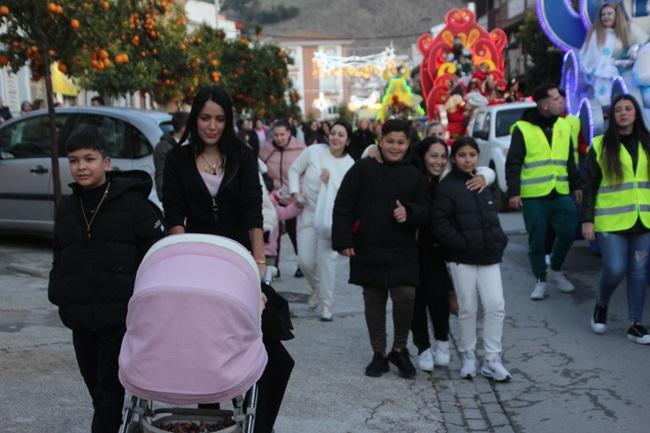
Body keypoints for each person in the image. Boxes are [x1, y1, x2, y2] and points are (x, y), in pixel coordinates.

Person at [162, 86, 293, 433]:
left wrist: (258, 267)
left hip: (237, 264)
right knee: (209, 354)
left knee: (276, 358)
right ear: (194, 118)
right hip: (196, 263)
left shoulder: (243, 157)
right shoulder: (177, 159)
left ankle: (259, 425)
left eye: (219, 119)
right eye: (205, 118)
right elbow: (174, 216)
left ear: (228, 120)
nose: (212, 126)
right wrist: (181, 267)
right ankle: (214, 423)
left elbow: (253, 213)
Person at [48, 127, 164, 433]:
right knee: (96, 390)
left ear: (107, 162)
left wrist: (140, 296)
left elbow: (155, 253)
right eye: (74, 160)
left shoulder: (132, 204)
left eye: (90, 158)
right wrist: (57, 291)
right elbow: (60, 253)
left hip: (119, 318)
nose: (82, 167)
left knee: (108, 392)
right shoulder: (67, 208)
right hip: (81, 317)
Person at [332, 119, 429, 379]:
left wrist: (409, 212)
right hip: (368, 246)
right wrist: (343, 240)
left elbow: (426, 208)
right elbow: (344, 204)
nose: (395, 147)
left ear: (408, 143)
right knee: (374, 300)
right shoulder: (363, 168)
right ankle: (378, 353)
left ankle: (399, 348)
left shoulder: (415, 173)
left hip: (403, 248)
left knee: (405, 295)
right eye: (390, 141)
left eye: (400, 142)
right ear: (380, 141)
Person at [412, 137, 496, 372]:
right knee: (415, 298)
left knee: (439, 295)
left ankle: (442, 341)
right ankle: (423, 347)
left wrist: (486, 177)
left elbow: (484, 171)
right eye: (433, 156)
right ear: (423, 156)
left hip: (439, 248)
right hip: (410, 247)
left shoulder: (448, 178)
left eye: (441, 156)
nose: (437, 161)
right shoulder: (413, 176)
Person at [431, 137, 510, 381]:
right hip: (461, 257)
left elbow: (491, 215)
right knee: (467, 308)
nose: (468, 159)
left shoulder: (483, 180)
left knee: (496, 306)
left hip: (488, 255)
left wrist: (499, 240)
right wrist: (461, 244)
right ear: (454, 158)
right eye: (462, 155)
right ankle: (468, 356)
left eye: (472, 155)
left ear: (477, 156)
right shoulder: (447, 186)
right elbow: (439, 223)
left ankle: (492, 359)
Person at [582, 94, 650, 344]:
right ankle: (602, 303)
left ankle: (635, 324)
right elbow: (589, 185)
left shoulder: (648, 142)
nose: (623, 113)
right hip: (611, 221)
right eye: (619, 109)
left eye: (628, 108)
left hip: (644, 220)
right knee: (614, 269)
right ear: (612, 116)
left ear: (636, 113)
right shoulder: (600, 145)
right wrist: (587, 220)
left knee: (640, 271)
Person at [506, 83, 582, 300]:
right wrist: (514, 192)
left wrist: (576, 185)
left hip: (560, 192)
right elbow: (513, 163)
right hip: (534, 196)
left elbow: (569, 160)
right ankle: (540, 279)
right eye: (557, 99)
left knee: (568, 232)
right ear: (544, 105)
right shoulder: (522, 128)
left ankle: (556, 269)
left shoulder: (564, 126)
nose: (562, 102)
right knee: (537, 239)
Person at [288, 120, 355, 321]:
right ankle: (316, 287)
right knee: (305, 262)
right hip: (308, 213)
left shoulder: (350, 165)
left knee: (327, 264)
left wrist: (329, 181)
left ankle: (327, 306)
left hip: (330, 219)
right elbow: (294, 169)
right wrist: (294, 192)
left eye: (341, 135)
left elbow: (348, 195)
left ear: (348, 140)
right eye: (333, 133)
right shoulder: (314, 151)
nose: (335, 137)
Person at [258, 119, 306, 277]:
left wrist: (298, 191)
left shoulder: (300, 149)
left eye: (282, 134)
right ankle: (274, 267)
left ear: (289, 133)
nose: (279, 138)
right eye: (276, 135)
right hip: (272, 198)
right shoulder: (266, 149)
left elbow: (305, 173)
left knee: (295, 233)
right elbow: (260, 169)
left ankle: (303, 264)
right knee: (272, 234)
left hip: (294, 196)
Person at [579, 3, 648, 107]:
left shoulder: (629, 28)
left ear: (617, 14)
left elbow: (644, 44)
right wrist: (615, 63)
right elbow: (595, 60)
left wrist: (636, 49)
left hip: (629, 74)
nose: (606, 16)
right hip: (607, 75)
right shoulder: (596, 34)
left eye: (609, 13)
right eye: (603, 14)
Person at [153, 111, 188, 199]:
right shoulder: (163, 147)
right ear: (184, 128)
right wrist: (165, 197)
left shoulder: (194, 144)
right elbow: (161, 174)